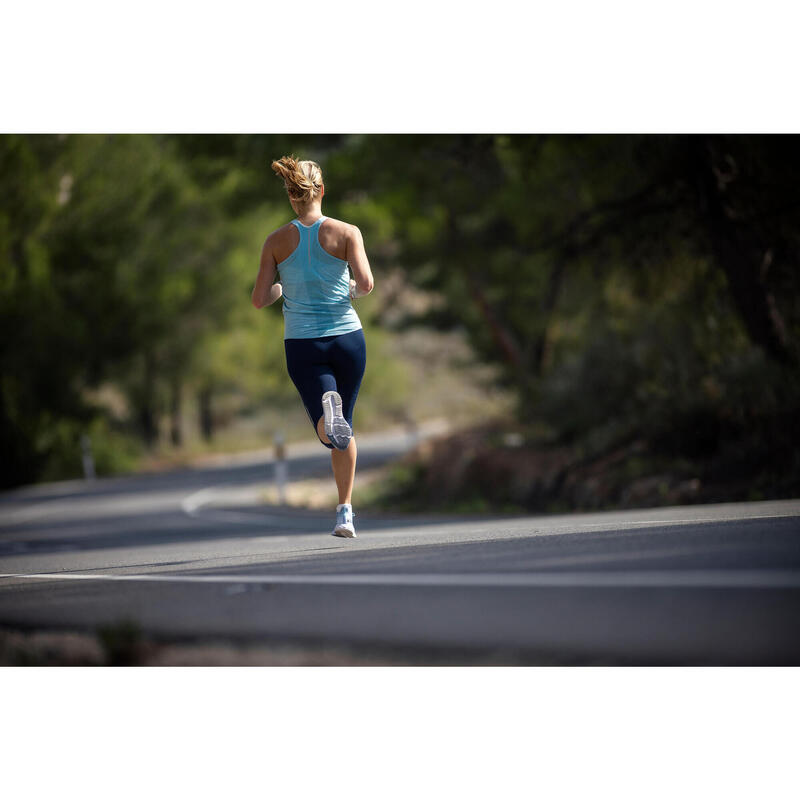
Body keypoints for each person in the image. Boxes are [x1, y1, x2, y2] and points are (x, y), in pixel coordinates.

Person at [251, 155, 374, 538]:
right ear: (321, 190)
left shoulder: (276, 240)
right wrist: (350, 289)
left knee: (330, 431)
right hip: (348, 339)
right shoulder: (347, 232)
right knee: (345, 432)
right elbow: (366, 284)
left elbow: (259, 299)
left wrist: (280, 287)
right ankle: (345, 512)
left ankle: (327, 419)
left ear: (291, 196)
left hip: (304, 343)